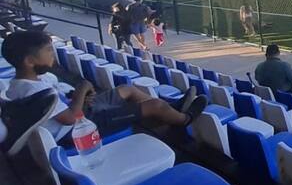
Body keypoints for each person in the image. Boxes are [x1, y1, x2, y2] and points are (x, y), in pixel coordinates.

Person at [1, 31, 206, 147]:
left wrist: (78, 98)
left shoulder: (22, 84)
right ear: (29, 61)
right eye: (48, 51)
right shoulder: (36, 93)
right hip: (81, 129)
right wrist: (82, 91)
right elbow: (70, 118)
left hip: (80, 111)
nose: (52, 54)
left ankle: (171, 110)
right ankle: (183, 120)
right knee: (154, 105)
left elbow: (62, 106)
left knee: (127, 89)